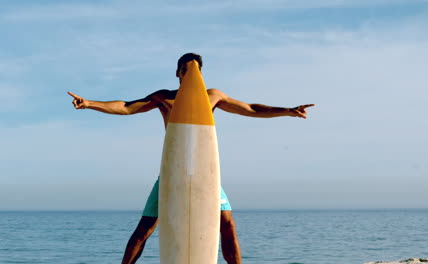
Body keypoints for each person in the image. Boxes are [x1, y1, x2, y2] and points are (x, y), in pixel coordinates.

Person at [68, 53, 314, 264]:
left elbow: (250, 108)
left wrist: (287, 111)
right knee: (145, 228)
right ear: (177, 73)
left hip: (205, 174)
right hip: (172, 174)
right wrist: (89, 103)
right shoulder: (164, 97)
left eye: (194, 70)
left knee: (227, 225)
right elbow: (126, 106)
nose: (189, 75)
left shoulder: (212, 96)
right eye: (185, 70)